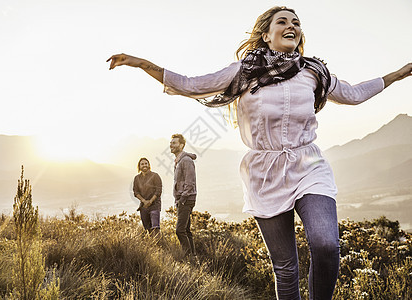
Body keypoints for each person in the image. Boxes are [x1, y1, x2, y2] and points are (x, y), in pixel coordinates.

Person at [107, 6, 412, 299]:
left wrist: (399, 73)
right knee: (285, 268)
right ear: (266, 34)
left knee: (325, 245)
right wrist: (141, 63)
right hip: (264, 173)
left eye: (296, 22)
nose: (291, 25)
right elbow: (189, 85)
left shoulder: (313, 72)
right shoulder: (242, 71)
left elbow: (355, 94)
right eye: (282, 21)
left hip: (309, 163)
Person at [170, 134, 197, 256]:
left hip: (186, 199)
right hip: (183, 199)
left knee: (179, 231)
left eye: (174, 143)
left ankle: (188, 257)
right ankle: (193, 256)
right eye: (171, 143)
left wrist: (182, 199)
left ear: (181, 145)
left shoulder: (186, 160)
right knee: (186, 230)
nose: (171, 145)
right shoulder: (179, 160)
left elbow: (189, 182)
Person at [133, 157, 162, 236]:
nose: (144, 165)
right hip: (143, 207)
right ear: (139, 166)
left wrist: (150, 201)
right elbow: (136, 192)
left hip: (155, 205)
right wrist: (144, 201)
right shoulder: (137, 178)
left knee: (155, 228)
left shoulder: (155, 176)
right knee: (148, 230)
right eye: (142, 164)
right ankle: (153, 247)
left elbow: (158, 191)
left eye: (146, 163)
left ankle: (160, 246)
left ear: (149, 165)